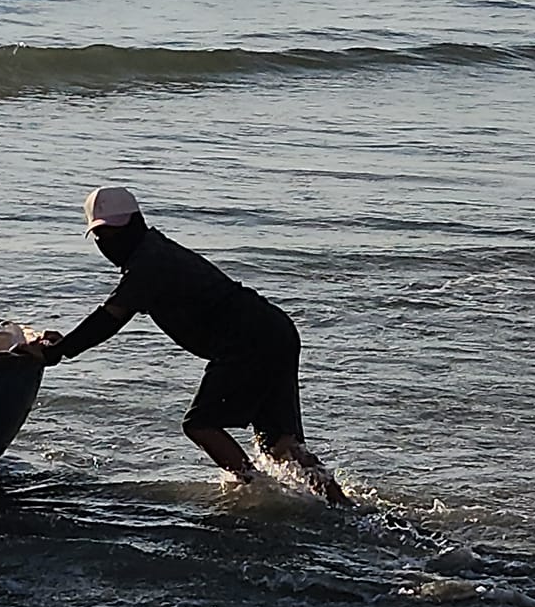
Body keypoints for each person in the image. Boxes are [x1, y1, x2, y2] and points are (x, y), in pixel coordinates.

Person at [31, 187, 348, 504]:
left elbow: (109, 319)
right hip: (274, 330)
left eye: (112, 232)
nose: (108, 243)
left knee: (200, 424)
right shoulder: (153, 253)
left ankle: (257, 489)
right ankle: (343, 507)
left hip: (249, 338)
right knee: (279, 445)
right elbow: (108, 317)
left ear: (136, 223)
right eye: (101, 235)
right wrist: (66, 344)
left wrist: (60, 351)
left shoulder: (149, 263)